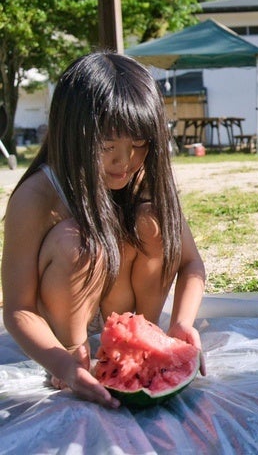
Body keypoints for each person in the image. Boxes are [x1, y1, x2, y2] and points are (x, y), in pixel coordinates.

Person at [1, 52, 206, 409]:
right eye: (108, 146)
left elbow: (191, 264)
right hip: (65, 328)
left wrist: (182, 324)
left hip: (133, 312)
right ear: (71, 132)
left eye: (139, 145)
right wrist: (62, 362)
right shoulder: (36, 196)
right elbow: (17, 308)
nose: (123, 161)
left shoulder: (142, 179)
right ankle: (76, 351)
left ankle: (144, 338)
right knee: (77, 242)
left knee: (154, 222)